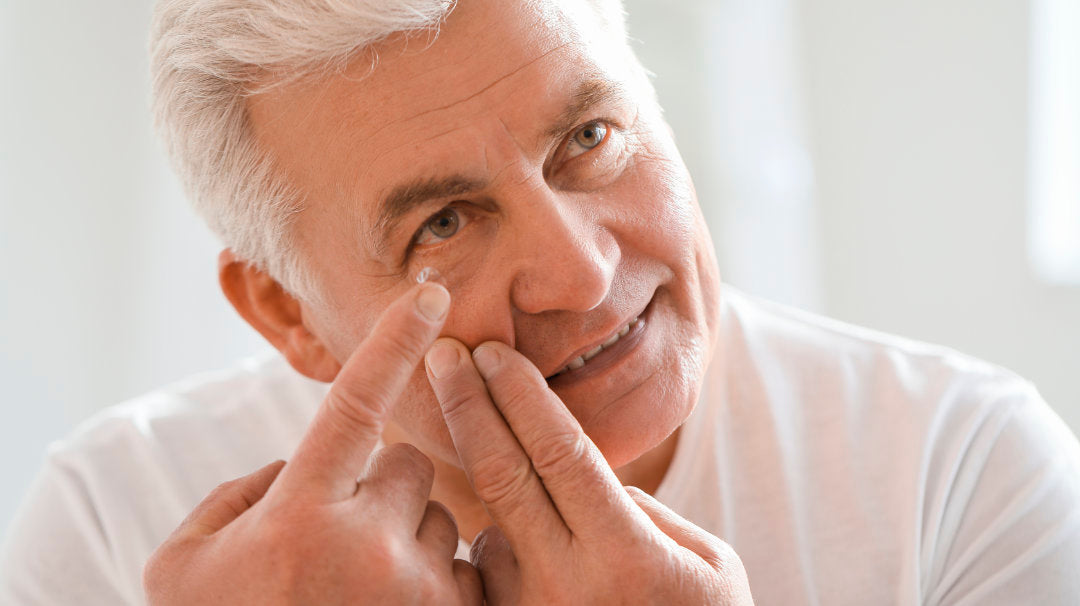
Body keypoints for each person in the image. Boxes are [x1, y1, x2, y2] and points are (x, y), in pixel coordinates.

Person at [3, 0, 1079, 603]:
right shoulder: (112, 525)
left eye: (590, 139)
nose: (583, 274)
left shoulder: (959, 473)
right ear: (288, 314)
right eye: (442, 225)